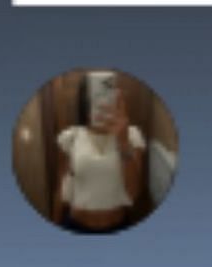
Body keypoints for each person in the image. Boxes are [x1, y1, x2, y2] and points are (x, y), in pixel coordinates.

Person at [55, 74, 150, 232]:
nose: (102, 101)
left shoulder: (132, 135)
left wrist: (123, 141)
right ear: (85, 100)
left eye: (108, 94)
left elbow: (133, 193)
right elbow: (60, 191)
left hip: (118, 227)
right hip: (75, 225)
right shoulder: (70, 137)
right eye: (95, 95)